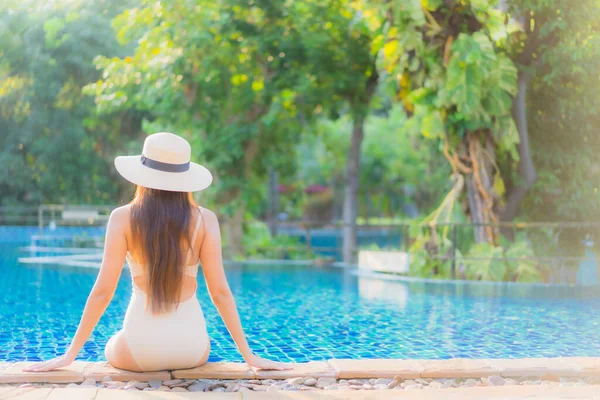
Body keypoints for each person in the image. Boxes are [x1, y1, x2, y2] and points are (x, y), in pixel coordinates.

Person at [24, 132, 291, 372]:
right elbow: (220, 292)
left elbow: (103, 292)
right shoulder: (205, 220)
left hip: (141, 353)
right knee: (205, 340)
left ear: (142, 176)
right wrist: (250, 356)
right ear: (185, 178)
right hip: (192, 350)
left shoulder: (122, 218)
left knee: (112, 343)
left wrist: (68, 356)